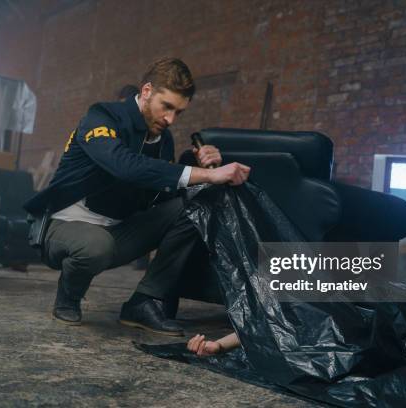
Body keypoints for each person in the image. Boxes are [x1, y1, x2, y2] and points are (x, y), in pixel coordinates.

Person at [24, 57, 251, 336]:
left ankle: (144, 302)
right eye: (166, 107)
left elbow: (159, 193)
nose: (170, 119)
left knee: (197, 204)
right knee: (96, 246)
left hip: (119, 231)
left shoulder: (163, 139)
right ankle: (69, 295)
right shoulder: (101, 117)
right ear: (146, 92)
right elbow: (125, 166)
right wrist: (205, 175)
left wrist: (202, 166)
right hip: (65, 227)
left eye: (178, 112)